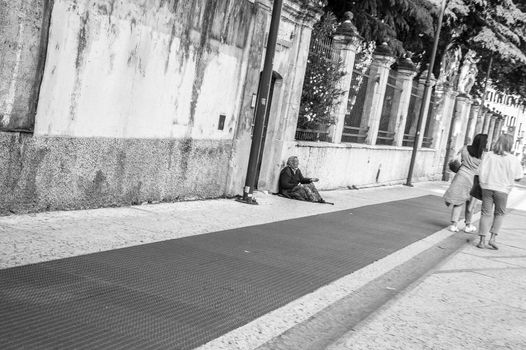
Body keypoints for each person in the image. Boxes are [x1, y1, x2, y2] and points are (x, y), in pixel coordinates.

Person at [476, 134, 523, 249]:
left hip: (487, 187)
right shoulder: (513, 159)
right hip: (502, 189)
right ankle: (492, 239)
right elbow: (518, 176)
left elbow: (480, 171)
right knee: (499, 214)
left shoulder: (488, 155)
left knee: (485, 213)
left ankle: (482, 241)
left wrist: (483, 183)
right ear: (510, 144)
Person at [443, 134, 488, 232]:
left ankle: (454, 225)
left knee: (458, 201)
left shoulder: (465, 149)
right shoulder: (484, 154)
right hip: (474, 179)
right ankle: (468, 226)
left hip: (461, 175)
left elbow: (455, 159)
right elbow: (484, 169)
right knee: (471, 204)